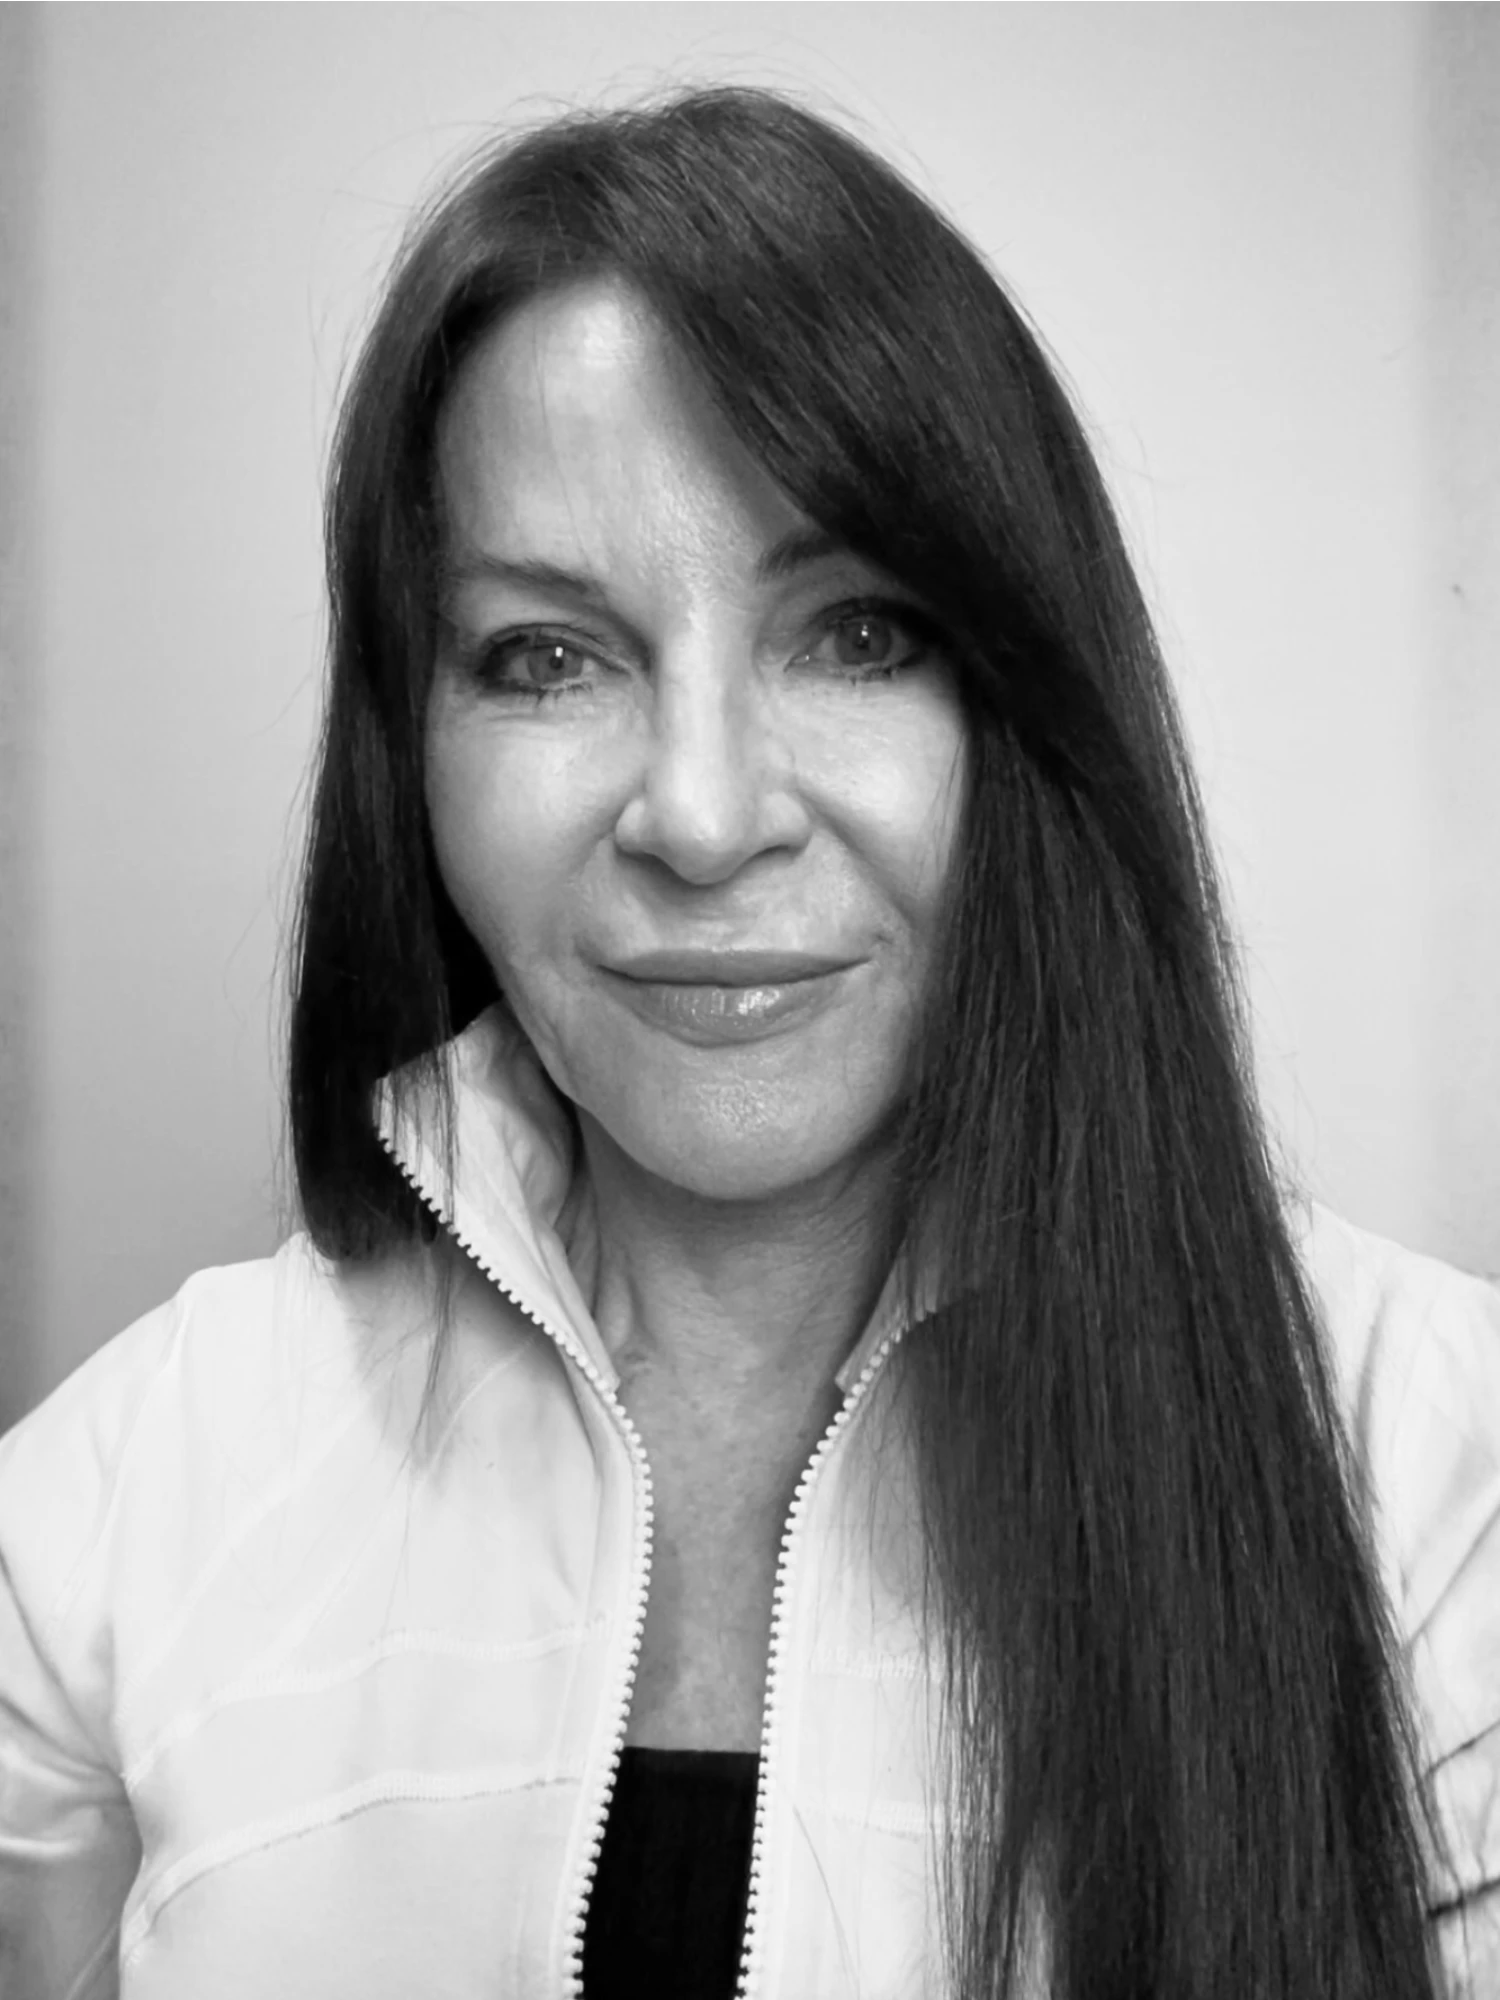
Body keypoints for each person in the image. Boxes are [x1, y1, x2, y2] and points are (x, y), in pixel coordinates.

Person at [1, 84, 1496, 2000]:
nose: (703, 819)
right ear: (413, 757)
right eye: (547, 657)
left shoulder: (1438, 1489)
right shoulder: (134, 1495)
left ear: (1029, 705)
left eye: (856, 635)